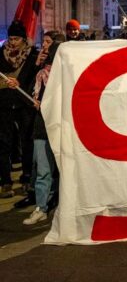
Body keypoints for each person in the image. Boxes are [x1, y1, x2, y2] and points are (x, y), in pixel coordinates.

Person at [0, 20, 40, 198]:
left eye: (16, 38)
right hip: (4, 103)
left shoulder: (33, 56)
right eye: (11, 38)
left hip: (24, 103)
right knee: (4, 142)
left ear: (24, 39)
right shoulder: (1, 54)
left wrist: (20, 83)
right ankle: (6, 181)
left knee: (27, 141)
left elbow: (35, 78)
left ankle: (26, 177)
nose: (13, 42)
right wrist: (5, 82)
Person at [23, 41, 61, 225]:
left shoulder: (64, 77)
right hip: (42, 129)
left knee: (64, 170)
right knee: (44, 171)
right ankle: (41, 207)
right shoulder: (40, 75)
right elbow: (31, 95)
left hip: (61, 127)